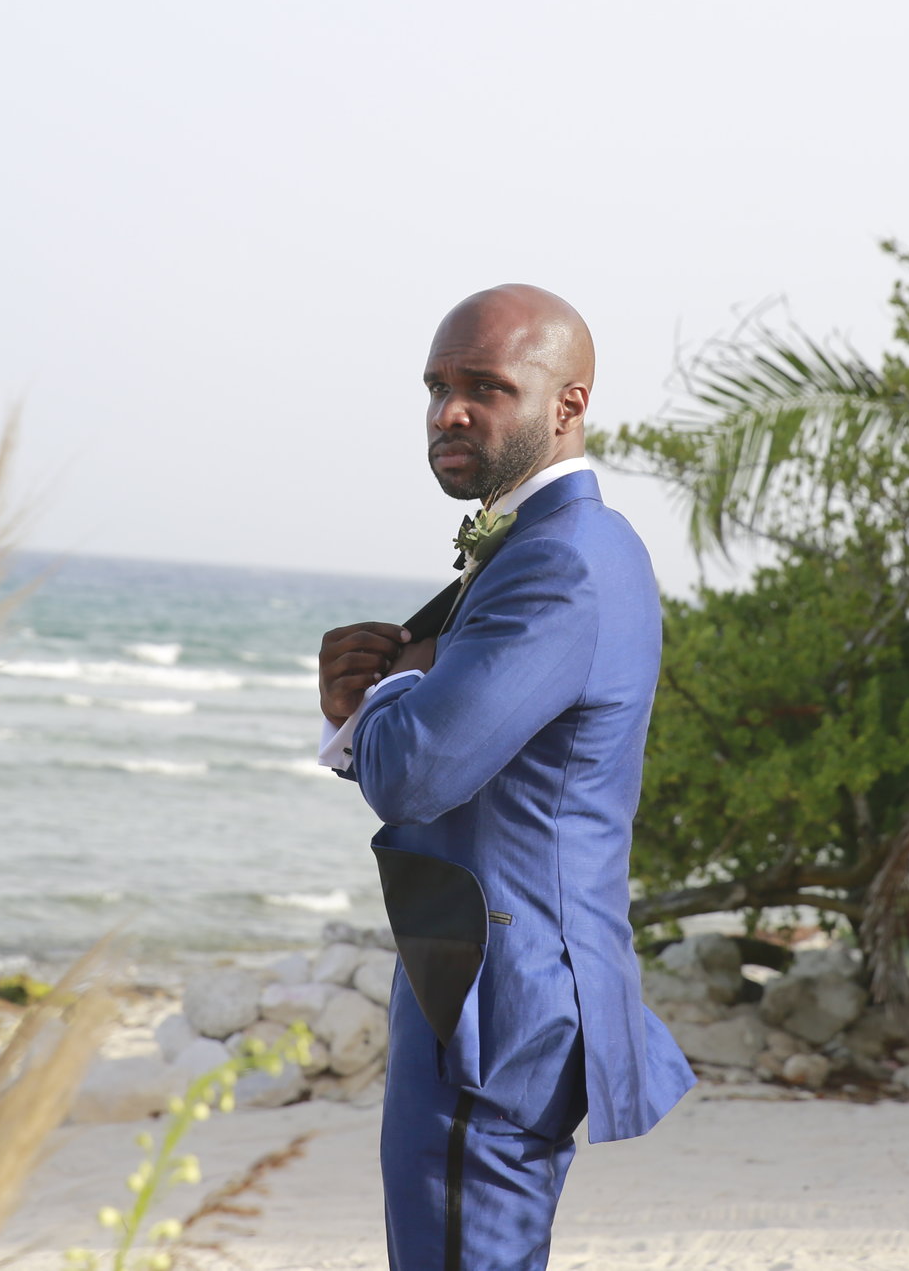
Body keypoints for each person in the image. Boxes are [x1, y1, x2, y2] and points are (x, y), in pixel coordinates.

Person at [316, 284, 693, 1270]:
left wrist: (381, 695)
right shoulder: (544, 546)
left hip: (495, 1006)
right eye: (438, 385)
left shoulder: (560, 558)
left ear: (567, 403)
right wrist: (365, 703)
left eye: (486, 386)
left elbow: (415, 771)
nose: (449, 410)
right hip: (497, 988)